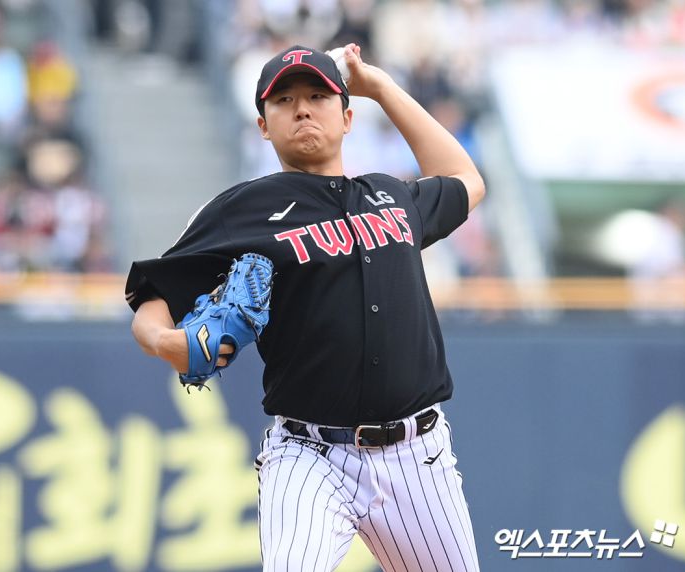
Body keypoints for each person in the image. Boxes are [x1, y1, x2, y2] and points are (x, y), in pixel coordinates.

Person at [126, 43, 485, 572]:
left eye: (318, 96)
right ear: (263, 126)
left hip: (418, 454)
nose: (302, 109)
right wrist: (165, 341)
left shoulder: (390, 195)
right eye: (285, 100)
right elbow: (150, 296)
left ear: (347, 118)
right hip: (309, 456)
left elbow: (467, 180)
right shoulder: (241, 210)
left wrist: (381, 86)